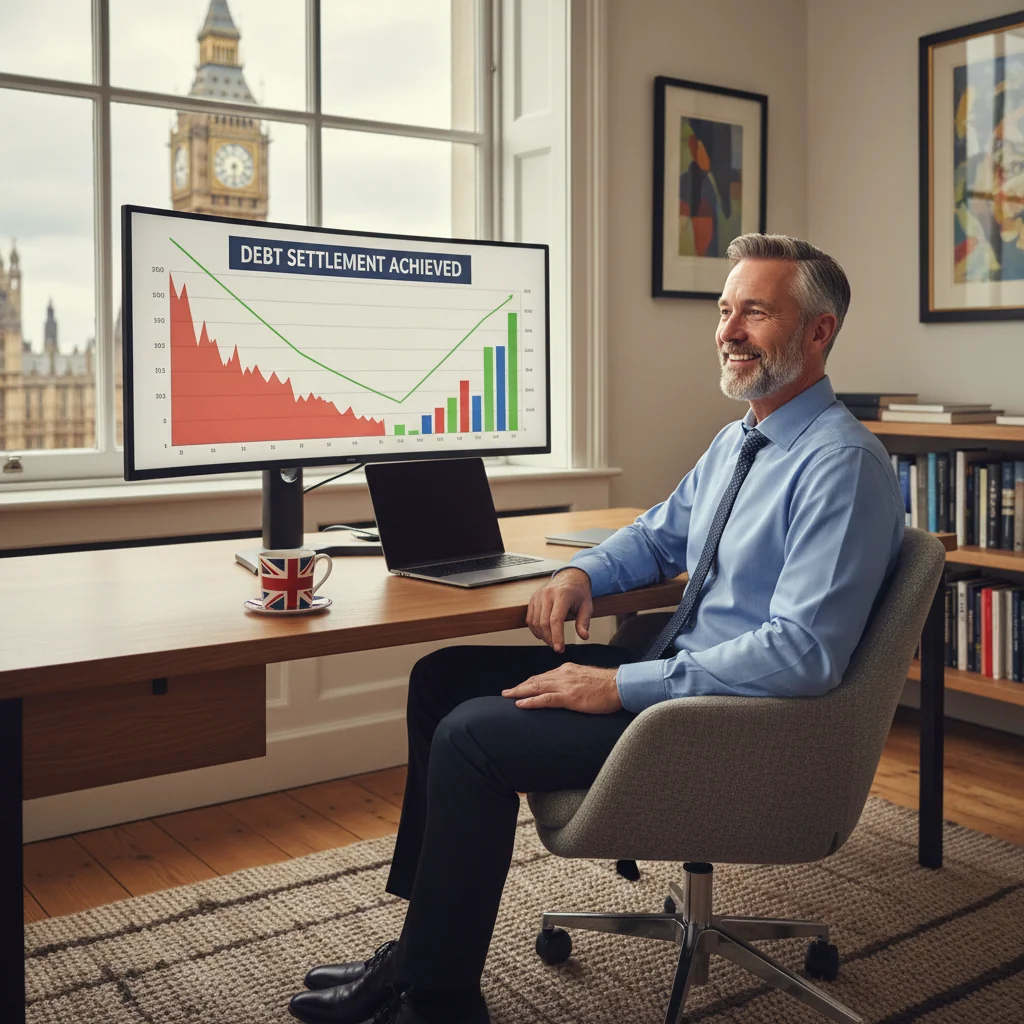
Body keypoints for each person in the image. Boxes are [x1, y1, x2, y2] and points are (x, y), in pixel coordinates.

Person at [287, 234, 906, 1024]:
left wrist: (616, 684)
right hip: (680, 677)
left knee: (473, 736)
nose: (729, 330)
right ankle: (419, 951)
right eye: (724, 310)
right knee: (440, 679)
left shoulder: (840, 467)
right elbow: (658, 535)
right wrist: (581, 574)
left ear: (819, 332)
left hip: (732, 722)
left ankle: (436, 999)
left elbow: (804, 653)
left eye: (755, 311)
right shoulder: (741, 439)